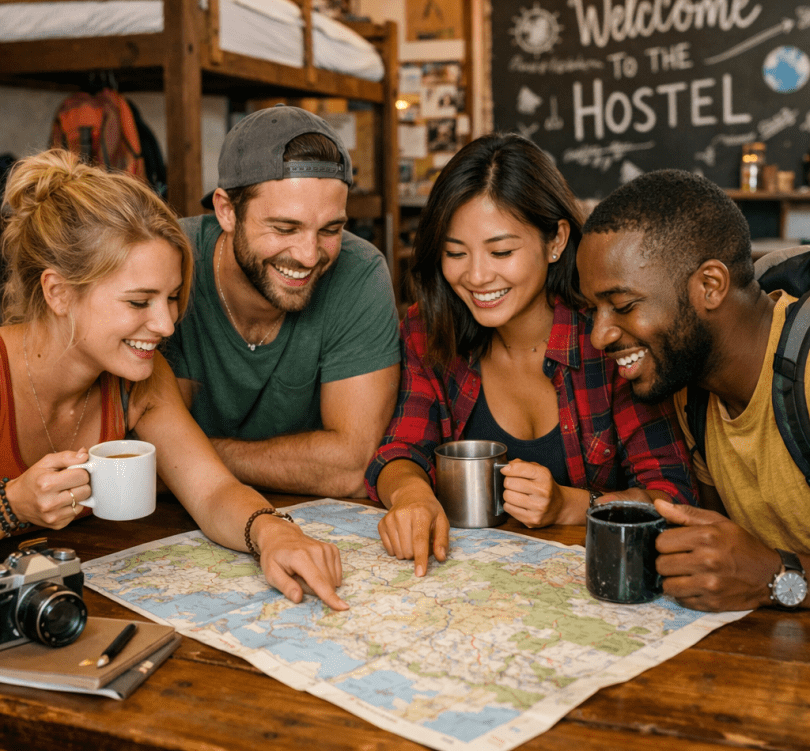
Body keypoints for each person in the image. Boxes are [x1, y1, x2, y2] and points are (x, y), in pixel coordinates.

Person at [0, 149, 347, 610]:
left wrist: (273, 532)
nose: (165, 325)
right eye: (140, 302)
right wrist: (10, 506)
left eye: (172, 298)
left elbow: (212, 490)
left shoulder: (142, 378)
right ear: (59, 293)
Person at [365, 133, 698, 576]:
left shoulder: (606, 339)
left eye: (501, 251)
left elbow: (673, 496)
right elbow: (400, 448)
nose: (478, 276)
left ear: (556, 240)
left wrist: (571, 504)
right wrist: (411, 495)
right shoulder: (428, 329)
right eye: (455, 253)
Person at [577, 168, 810, 612]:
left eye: (623, 306)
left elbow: (757, 571)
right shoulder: (690, 389)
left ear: (710, 286)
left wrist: (778, 575)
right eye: (594, 310)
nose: (599, 335)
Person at [163, 105, 400, 498]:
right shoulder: (170, 262)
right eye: (284, 228)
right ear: (226, 211)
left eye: (331, 229)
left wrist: (187, 455)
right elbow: (142, 450)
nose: (309, 255)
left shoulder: (360, 272)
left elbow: (352, 468)